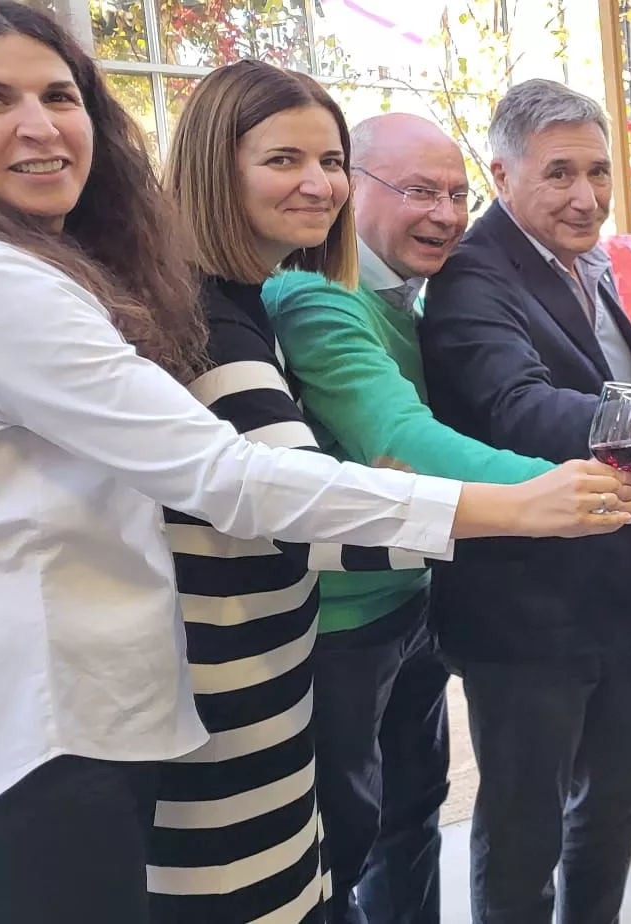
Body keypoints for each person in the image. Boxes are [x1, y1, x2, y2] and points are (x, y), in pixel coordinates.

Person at [0, 9, 631, 921]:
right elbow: (250, 488)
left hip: (221, 669)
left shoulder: (228, 295)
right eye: (284, 160)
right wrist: (515, 509)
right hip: (167, 689)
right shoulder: (200, 311)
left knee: (363, 849)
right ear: (217, 166)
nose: (316, 185)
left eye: (60, 96)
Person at [414, 78, 631, 924]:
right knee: (524, 830)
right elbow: (518, 407)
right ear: (502, 175)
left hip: (605, 589)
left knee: (620, 790)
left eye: (597, 172)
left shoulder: (588, 268)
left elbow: (607, 391)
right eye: (559, 174)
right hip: (521, 604)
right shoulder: (471, 279)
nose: (586, 196)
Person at [259, 112, 510, 924]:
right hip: (337, 626)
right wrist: (572, 488)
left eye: (457, 195)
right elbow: (400, 436)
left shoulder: (412, 295)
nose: (445, 213)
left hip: (409, 599)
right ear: (353, 189)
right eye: (419, 191)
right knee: (347, 835)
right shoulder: (313, 295)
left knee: (413, 813)